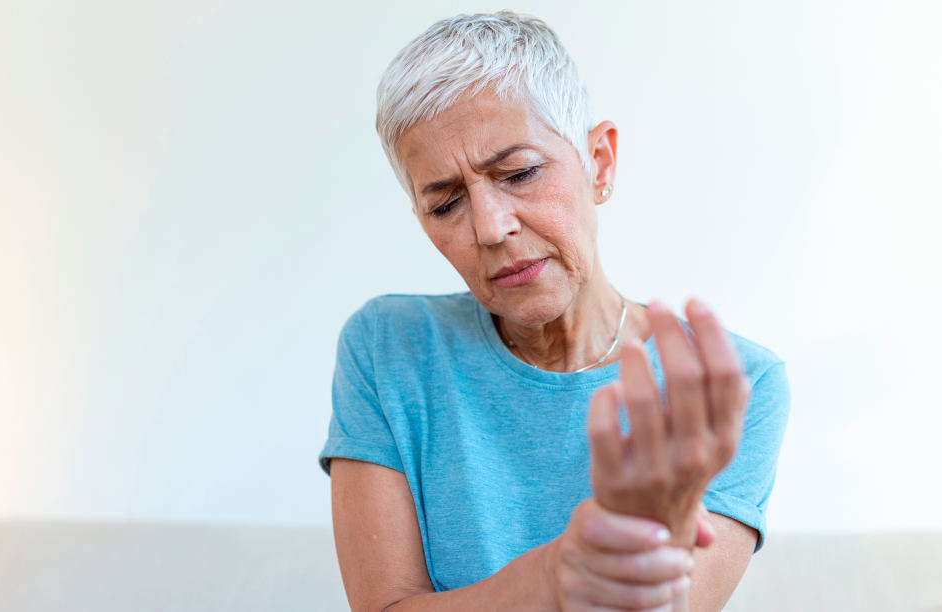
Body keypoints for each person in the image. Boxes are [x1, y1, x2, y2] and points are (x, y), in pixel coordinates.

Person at [318, 11, 790, 612]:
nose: (491, 228)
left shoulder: (737, 385)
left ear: (600, 161)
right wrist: (553, 578)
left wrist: (634, 562)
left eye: (520, 173)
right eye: (445, 205)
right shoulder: (389, 348)